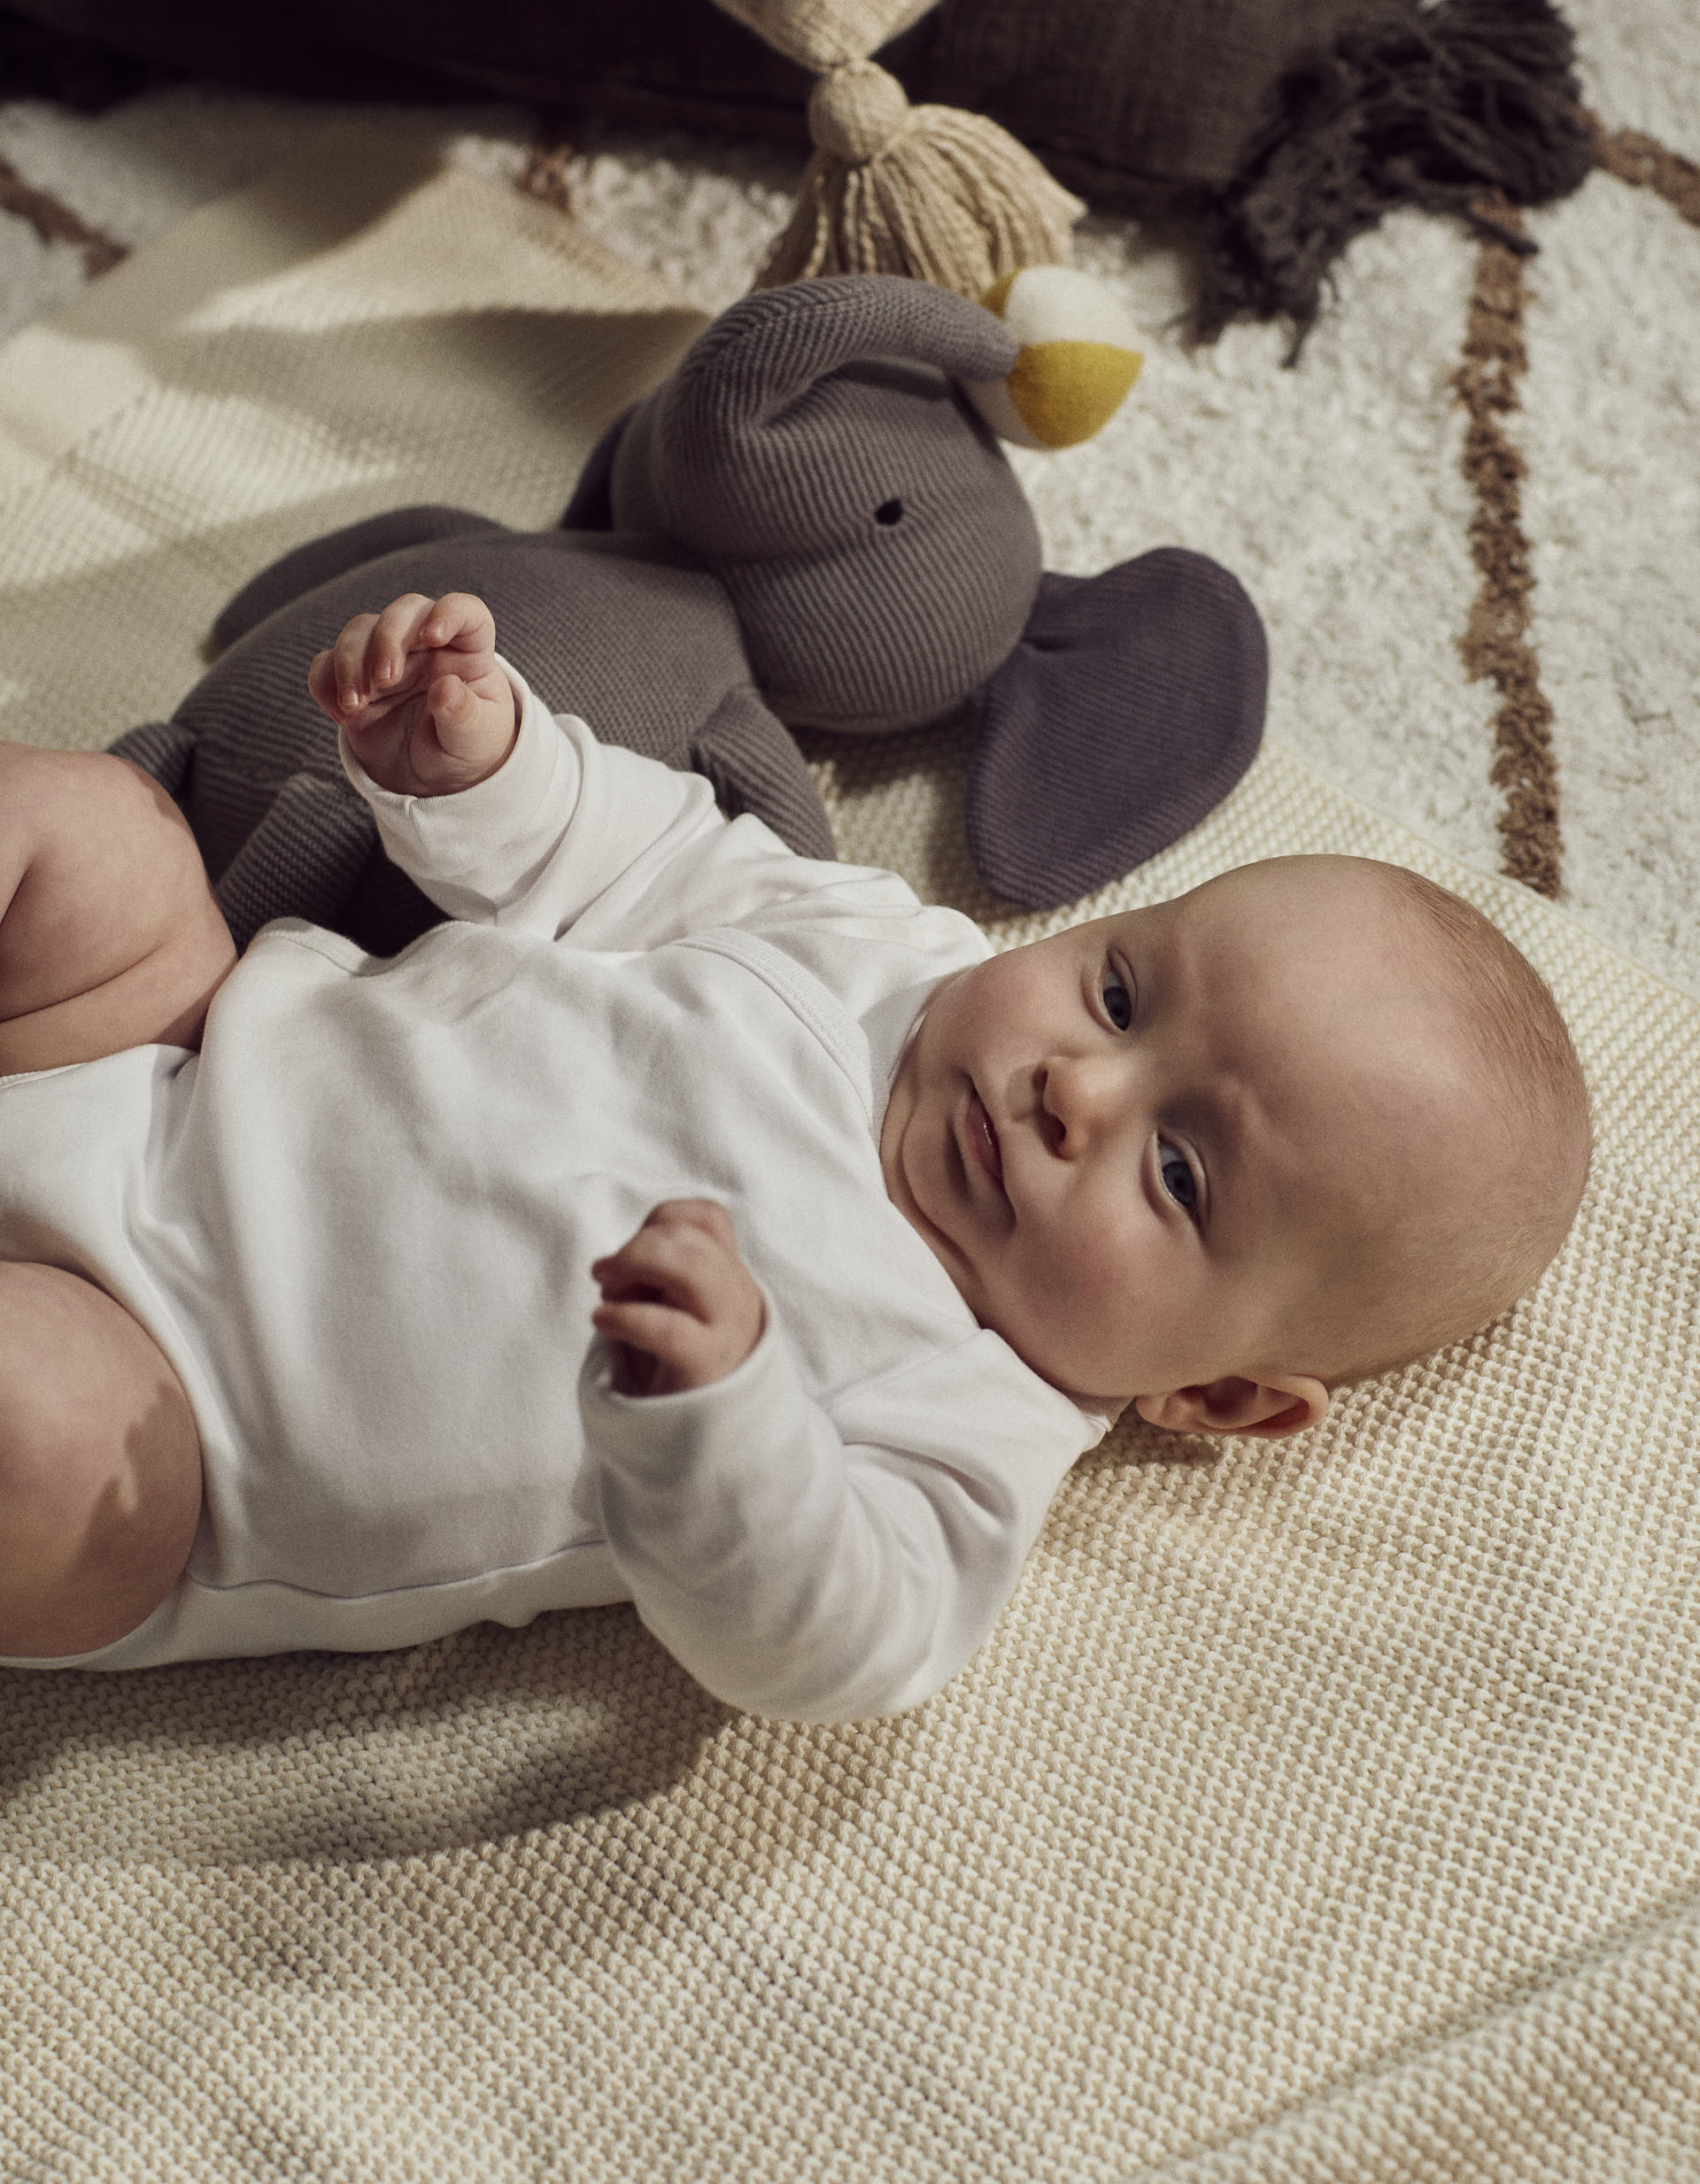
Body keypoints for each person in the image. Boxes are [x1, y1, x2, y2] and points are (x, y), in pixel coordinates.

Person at [0, 593, 1591, 1717]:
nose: (1078, 1092)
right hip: (158, 1061)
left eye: (1179, 1175)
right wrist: (486, 770)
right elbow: (642, 853)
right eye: (1119, 989)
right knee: (102, 833)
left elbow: (834, 1642)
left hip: (167, 1417)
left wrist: (728, 1421)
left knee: (40, 1442)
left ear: (1219, 1394)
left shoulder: (973, 1419)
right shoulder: (874, 946)